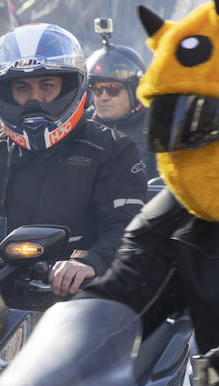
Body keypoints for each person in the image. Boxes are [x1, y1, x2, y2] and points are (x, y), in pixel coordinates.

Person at [0, 23, 146, 296]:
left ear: (68, 86)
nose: (35, 99)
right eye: (22, 88)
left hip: (80, 299)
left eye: (46, 85)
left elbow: (128, 226)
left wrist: (89, 262)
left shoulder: (111, 150)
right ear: (6, 92)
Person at [81, 2, 219, 348]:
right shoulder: (186, 213)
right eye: (170, 123)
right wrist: (20, 382)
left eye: (203, 125)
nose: (187, 150)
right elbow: (121, 293)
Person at [86, 42, 156, 179]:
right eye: (97, 89)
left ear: (135, 91)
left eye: (113, 89)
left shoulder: (158, 126)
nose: (103, 97)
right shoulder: (80, 126)